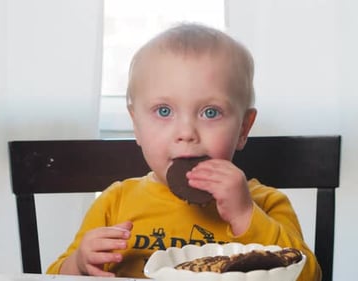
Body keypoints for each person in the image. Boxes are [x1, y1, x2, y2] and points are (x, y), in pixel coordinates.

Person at [47, 23, 321, 281]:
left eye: (210, 112)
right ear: (136, 125)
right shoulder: (115, 203)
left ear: (243, 129)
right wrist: (80, 264)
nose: (186, 132)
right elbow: (53, 275)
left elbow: (308, 275)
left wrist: (245, 214)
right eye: (164, 111)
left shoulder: (266, 204)